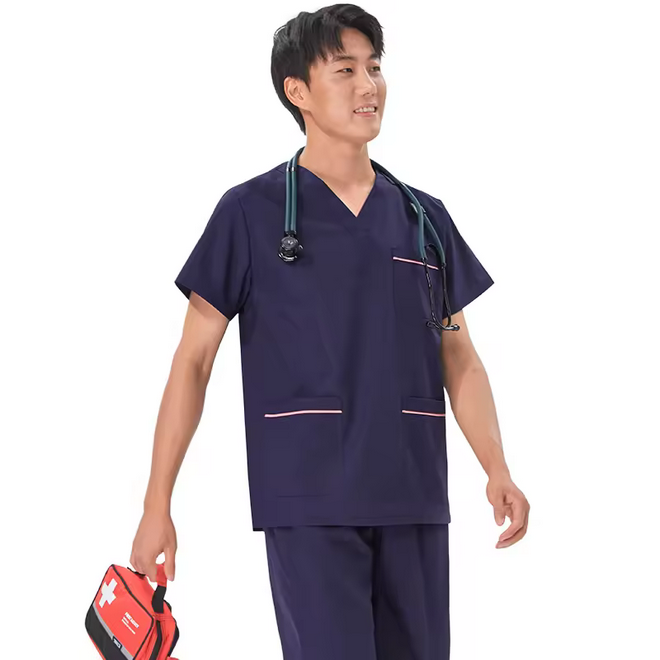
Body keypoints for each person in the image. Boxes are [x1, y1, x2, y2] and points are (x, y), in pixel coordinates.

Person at [130, 4, 530, 658]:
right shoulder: (250, 214)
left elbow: (459, 356)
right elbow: (193, 361)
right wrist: (157, 503)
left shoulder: (424, 220)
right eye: (345, 70)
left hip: (412, 495)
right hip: (309, 500)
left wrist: (497, 466)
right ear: (298, 91)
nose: (368, 85)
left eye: (374, 67)